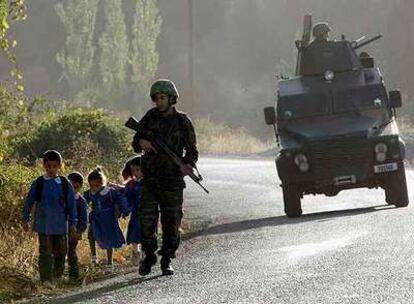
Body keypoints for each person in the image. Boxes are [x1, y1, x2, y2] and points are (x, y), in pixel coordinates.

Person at [132, 79, 199, 276]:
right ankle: (149, 256)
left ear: (171, 99)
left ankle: (167, 258)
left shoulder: (183, 121)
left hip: (172, 180)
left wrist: (187, 164)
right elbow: (135, 140)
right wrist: (142, 142)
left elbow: (192, 150)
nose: (159, 102)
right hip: (151, 179)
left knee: (172, 222)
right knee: (146, 220)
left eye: (163, 98)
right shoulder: (150, 118)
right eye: (157, 98)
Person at [21, 150, 77, 288]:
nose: (51, 169)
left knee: (61, 252)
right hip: (43, 225)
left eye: (54, 166)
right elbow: (29, 201)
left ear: (59, 166)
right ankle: (46, 279)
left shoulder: (64, 183)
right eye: (48, 166)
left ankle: (57, 276)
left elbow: (71, 205)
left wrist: (73, 223)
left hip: (60, 225)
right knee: (45, 253)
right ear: (44, 166)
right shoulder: (39, 183)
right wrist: (25, 218)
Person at [84, 167, 130, 267]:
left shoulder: (109, 191)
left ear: (101, 183)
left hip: (108, 218)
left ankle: (110, 262)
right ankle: (94, 257)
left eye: (96, 185)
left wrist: (122, 210)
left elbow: (120, 197)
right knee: (91, 235)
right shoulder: (90, 193)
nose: (94, 188)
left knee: (109, 239)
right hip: (96, 218)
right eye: (91, 185)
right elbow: (83, 201)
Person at [121, 156, 143, 266]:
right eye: (133, 170)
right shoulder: (131, 184)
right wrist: (125, 210)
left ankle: (145, 253)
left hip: (148, 213)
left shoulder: (150, 182)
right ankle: (136, 251)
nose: (135, 173)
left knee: (147, 234)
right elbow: (126, 198)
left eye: (138, 170)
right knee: (133, 234)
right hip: (135, 213)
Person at [67, 171, 88, 282]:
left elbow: (84, 219)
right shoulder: (63, 199)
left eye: (76, 187)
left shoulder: (81, 201)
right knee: (58, 252)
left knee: (71, 252)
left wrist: (79, 231)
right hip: (60, 230)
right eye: (71, 187)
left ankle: (74, 274)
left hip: (74, 232)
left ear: (80, 187)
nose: (73, 189)